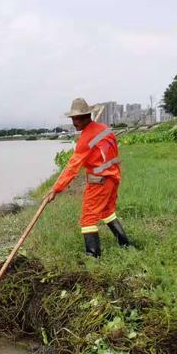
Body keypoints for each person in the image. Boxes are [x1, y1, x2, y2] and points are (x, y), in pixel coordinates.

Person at [44, 98, 130, 257]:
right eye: (72, 118)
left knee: (88, 218)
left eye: (77, 118)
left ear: (86, 116)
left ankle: (93, 254)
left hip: (100, 181)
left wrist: (55, 189)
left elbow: (72, 167)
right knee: (107, 211)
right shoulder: (104, 129)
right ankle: (125, 243)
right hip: (113, 178)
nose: (74, 122)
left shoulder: (86, 138)